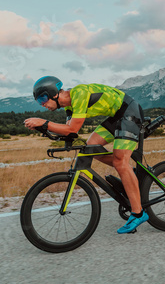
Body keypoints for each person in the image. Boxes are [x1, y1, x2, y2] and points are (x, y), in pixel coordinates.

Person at [24, 76, 148, 234]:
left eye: (43, 99)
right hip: (116, 117)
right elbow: (69, 133)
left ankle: (138, 213)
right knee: (91, 147)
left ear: (53, 93)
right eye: (38, 102)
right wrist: (45, 130)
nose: (42, 104)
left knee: (120, 162)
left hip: (130, 112)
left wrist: (44, 123)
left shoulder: (79, 94)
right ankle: (130, 174)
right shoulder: (69, 108)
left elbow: (72, 129)